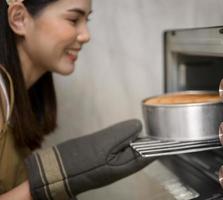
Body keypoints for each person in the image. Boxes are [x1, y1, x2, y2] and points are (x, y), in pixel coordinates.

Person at [0, 0, 152, 199]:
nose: (86, 35)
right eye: (73, 19)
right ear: (19, 19)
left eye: (86, 20)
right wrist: (53, 180)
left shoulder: (20, 96)